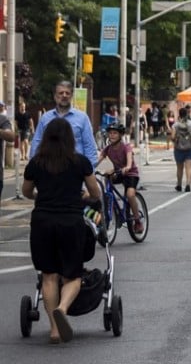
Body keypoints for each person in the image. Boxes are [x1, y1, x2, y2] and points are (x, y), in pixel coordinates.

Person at [22, 117, 102, 343]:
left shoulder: (36, 163)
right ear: (69, 139)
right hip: (70, 221)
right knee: (72, 275)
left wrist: (41, 196)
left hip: (42, 222)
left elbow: (27, 191)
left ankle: (55, 330)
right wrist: (84, 198)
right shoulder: (79, 162)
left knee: (48, 276)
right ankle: (63, 308)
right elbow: (94, 193)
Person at [31, 81, 99, 167]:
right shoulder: (45, 118)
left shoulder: (82, 118)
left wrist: (90, 170)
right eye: (61, 93)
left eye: (67, 93)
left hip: (75, 170)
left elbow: (89, 146)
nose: (64, 95)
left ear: (71, 96)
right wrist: (34, 167)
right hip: (50, 169)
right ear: (55, 96)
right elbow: (37, 143)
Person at [97, 123, 143, 233]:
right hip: (119, 173)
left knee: (130, 194)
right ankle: (111, 205)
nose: (112, 135)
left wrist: (127, 167)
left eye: (115, 133)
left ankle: (137, 221)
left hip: (131, 174)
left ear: (120, 135)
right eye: (110, 133)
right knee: (106, 181)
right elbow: (97, 160)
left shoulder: (126, 147)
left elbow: (129, 161)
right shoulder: (108, 149)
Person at [170, 107, 191, 192]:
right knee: (189, 168)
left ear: (179, 115)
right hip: (190, 148)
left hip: (178, 149)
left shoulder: (175, 125)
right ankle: (188, 184)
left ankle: (179, 184)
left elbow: (172, 137)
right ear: (187, 114)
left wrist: (176, 140)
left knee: (179, 168)